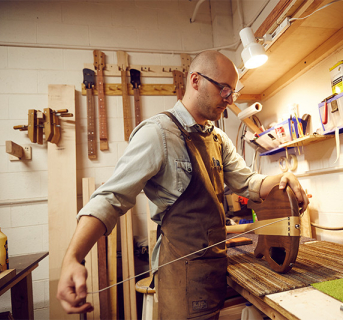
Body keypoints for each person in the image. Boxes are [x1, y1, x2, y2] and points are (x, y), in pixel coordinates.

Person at [57, 50, 309, 319]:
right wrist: (73, 258)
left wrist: (284, 180)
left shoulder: (218, 139)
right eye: (224, 89)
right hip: (181, 275)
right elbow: (110, 198)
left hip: (213, 269)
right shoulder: (158, 133)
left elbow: (249, 183)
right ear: (195, 80)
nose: (230, 99)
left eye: (233, 91)